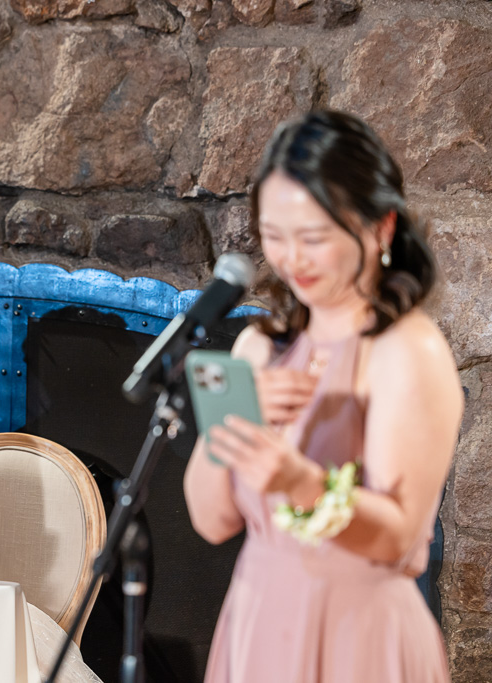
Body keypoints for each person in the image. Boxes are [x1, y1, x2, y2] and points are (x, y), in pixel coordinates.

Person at [184, 110, 461, 682]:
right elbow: (211, 520)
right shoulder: (261, 346)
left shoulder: (408, 351)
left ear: (380, 229)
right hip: (258, 619)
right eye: (275, 237)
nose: (292, 260)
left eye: (313, 238)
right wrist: (234, 416)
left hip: (358, 635)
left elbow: (398, 537)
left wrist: (301, 484)